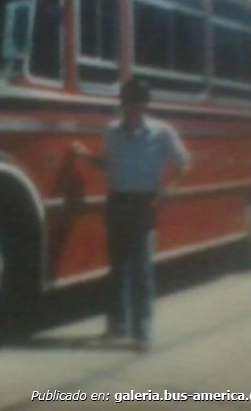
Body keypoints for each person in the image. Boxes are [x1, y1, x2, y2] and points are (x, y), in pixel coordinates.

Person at [72, 77, 190, 352]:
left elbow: (184, 164)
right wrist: (85, 155)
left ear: (146, 105)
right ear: (122, 104)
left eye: (138, 103)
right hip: (117, 202)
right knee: (117, 268)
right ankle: (117, 325)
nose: (133, 108)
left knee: (141, 269)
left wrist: (168, 190)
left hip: (144, 205)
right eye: (128, 103)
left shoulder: (162, 132)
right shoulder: (112, 132)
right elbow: (106, 163)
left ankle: (142, 330)